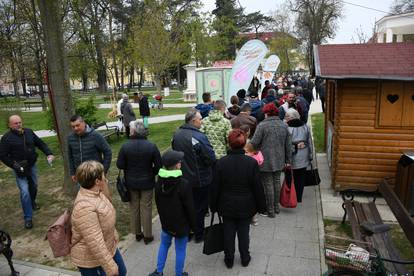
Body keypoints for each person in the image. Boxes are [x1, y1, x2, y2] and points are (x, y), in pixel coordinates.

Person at [210, 129, 266, 269]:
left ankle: (229, 258)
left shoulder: (221, 163)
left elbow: (215, 187)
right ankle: (245, 257)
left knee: (228, 232)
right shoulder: (251, 163)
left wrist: (213, 205)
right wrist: (261, 207)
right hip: (246, 204)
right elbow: (257, 187)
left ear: (229, 144)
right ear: (243, 145)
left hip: (226, 204)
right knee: (243, 232)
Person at [71, 161, 126, 276]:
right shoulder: (84, 207)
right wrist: (109, 265)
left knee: (122, 271)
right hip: (91, 259)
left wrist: (113, 233)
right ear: (97, 181)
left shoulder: (97, 193)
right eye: (103, 175)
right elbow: (95, 241)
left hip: (108, 247)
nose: (105, 178)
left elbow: (105, 216)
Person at [0, 115, 54, 229]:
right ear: (10, 125)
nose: (18, 124)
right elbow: (2, 155)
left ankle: (32, 202)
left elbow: (40, 143)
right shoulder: (6, 138)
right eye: (15, 123)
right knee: (25, 192)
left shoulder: (29, 132)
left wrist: (48, 153)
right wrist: (14, 165)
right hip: (19, 169)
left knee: (34, 186)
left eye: (20, 122)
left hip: (32, 165)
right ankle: (28, 218)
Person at [149, 150, 196, 276]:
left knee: (164, 245)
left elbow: (158, 204)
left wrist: (163, 220)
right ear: (176, 165)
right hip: (181, 225)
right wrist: (193, 227)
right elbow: (190, 208)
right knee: (180, 250)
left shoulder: (159, 183)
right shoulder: (184, 184)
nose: (181, 163)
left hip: (166, 223)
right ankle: (179, 274)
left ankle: (158, 272)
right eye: (179, 161)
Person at [172, 109, 215, 243]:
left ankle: (188, 232)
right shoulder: (199, 137)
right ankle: (198, 234)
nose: (202, 121)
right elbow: (210, 157)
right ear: (193, 121)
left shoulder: (177, 135)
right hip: (199, 179)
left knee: (185, 206)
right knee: (200, 208)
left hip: (182, 178)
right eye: (200, 119)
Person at [116, 120, 162, 244]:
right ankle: (147, 235)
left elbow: (120, 164)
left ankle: (137, 233)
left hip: (131, 182)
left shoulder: (125, 146)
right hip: (147, 181)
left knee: (134, 207)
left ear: (134, 131)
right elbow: (159, 165)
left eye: (130, 129)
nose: (129, 131)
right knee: (146, 207)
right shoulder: (151, 146)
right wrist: (151, 172)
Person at [250, 103, 291, 217]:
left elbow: (254, 142)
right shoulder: (284, 125)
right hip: (280, 158)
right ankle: (276, 207)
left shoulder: (262, 126)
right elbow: (288, 144)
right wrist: (288, 159)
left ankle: (270, 210)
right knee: (277, 182)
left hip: (265, 159)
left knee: (268, 184)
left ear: (266, 113)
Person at [67, 115, 112, 186]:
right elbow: (70, 156)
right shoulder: (70, 138)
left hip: (96, 176)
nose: (75, 128)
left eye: (77, 125)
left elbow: (108, 152)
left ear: (83, 123)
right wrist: (72, 172)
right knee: (85, 196)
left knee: (99, 196)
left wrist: (103, 171)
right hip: (80, 176)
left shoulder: (95, 136)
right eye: (73, 127)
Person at [284, 108, 313, 203]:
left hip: (292, 157)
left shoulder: (287, 128)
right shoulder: (305, 126)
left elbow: (286, 144)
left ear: (292, 117)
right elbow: (310, 142)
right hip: (304, 155)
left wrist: (294, 147)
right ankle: (298, 197)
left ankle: (290, 197)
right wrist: (310, 155)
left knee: (290, 177)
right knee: (301, 177)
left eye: (287, 116)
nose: (285, 118)